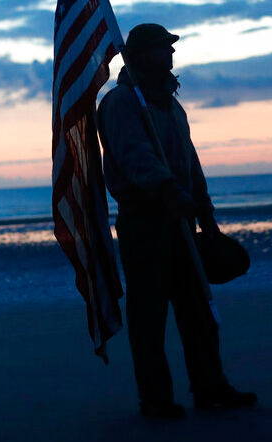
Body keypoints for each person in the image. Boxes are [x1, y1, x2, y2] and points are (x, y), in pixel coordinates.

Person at [96, 23, 257, 419]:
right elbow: (135, 159)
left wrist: (206, 214)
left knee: (199, 308)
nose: (170, 55)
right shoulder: (120, 104)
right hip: (145, 223)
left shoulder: (171, 103)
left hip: (182, 221)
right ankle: (155, 398)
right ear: (140, 55)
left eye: (170, 48)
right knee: (148, 316)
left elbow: (189, 161)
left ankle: (210, 386)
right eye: (161, 49)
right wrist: (169, 193)